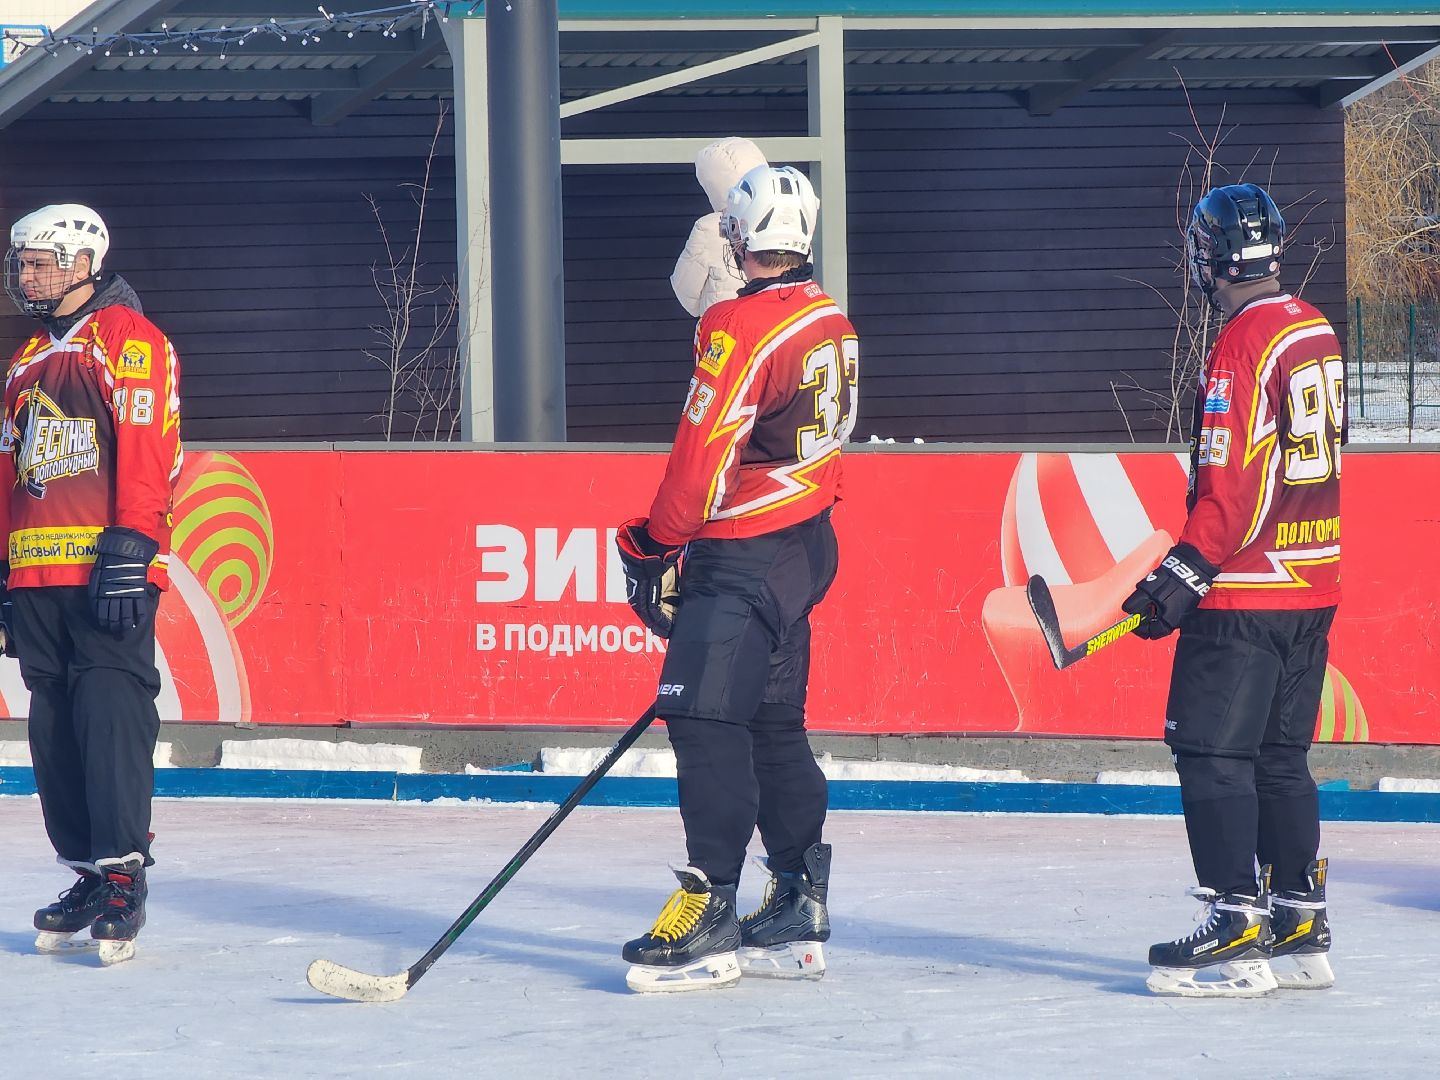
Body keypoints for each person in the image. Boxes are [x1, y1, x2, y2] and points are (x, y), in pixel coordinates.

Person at [615, 164, 857, 993]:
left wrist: (651, 545)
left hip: (745, 548)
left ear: (741, 236)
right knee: (770, 724)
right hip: (805, 543)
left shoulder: (735, 326)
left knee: (701, 716)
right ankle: (796, 898)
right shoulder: (832, 316)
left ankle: (711, 904)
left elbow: (701, 454)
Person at [1122, 183, 1341, 998]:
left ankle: (1236, 925)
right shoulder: (1312, 326)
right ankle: (1298, 920)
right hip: (1313, 581)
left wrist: (1183, 572)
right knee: (1282, 759)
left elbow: (1233, 483)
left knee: (1212, 755)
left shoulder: (1243, 343)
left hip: (1246, 594)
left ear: (1208, 259)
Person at [1, 204, 183, 965]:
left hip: (102, 568)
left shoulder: (127, 341)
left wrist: (135, 544)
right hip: (37, 572)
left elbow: (149, 446)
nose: (25, 274)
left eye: (40, 261)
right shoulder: (26, 359)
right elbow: (11, 469)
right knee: (53, 724)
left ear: (83, 264)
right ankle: (85, 868)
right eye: (21, 262)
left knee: (111, 710)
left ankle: (123, 874)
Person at [670, 137, 768, 319]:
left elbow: (685, 291)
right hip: (779, 330)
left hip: (724, 333)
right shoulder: (788, 220)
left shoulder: (709, 228)